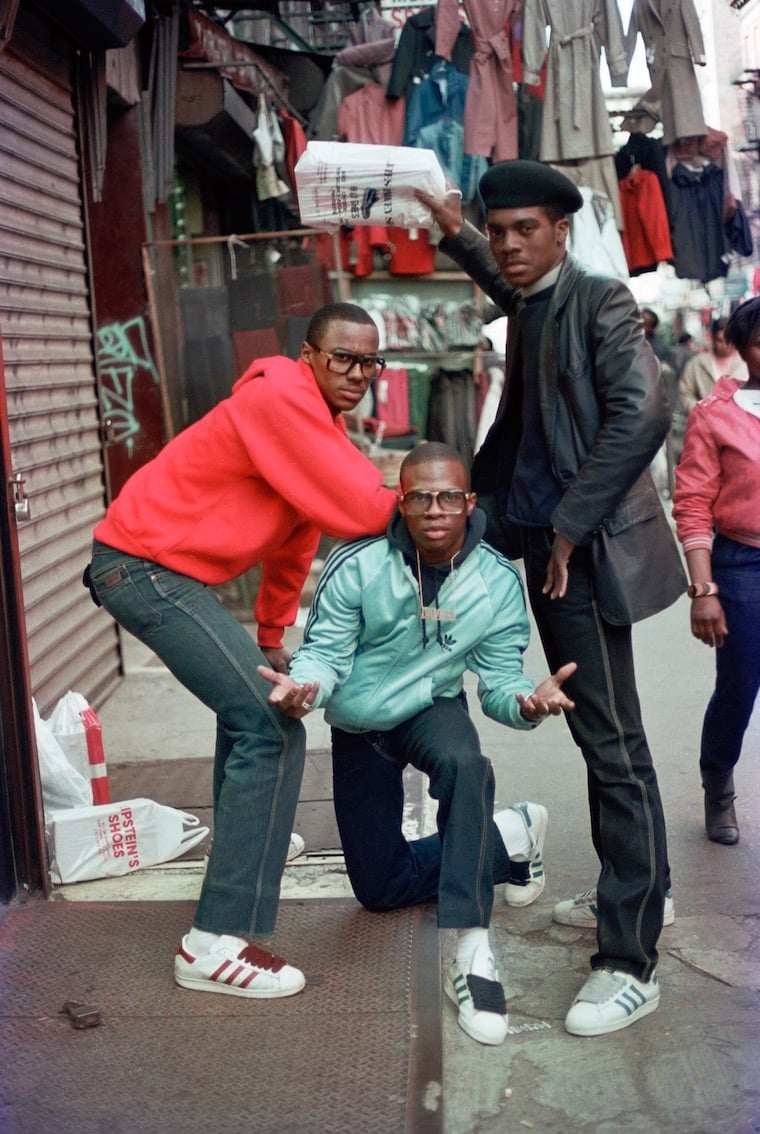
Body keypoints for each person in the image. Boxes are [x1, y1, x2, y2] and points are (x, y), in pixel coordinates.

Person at [417, 159, 686, 1037]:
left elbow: (642, 414)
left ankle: (630, 958)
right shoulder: (534, 299)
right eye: (497, 232)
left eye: (523, 230)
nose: (508, 247)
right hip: (527, 535)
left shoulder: (601, 302)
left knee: (609, 739)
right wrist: (458, 231)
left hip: (580, 551)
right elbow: (506, 277)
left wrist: (568, 527)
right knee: (603, 732)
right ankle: (643, 895)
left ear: (561, 232)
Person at [83, 302, 399, 1000]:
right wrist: (437, 498)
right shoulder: (282, 397)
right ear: (309, 357)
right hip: (141, 568)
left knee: (253, 704)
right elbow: (358, 507)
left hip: (163, 571)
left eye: (370, 361)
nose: (357, 372)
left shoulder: (317, 422)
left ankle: (246, 844)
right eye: (342, 357)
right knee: (270, 722)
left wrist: (268, 636)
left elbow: (301, 535)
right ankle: (212, 943)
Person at [258, 441, 575, 1046]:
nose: (436, 508)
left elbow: (500, 679)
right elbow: (325, 652)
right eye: (421, 497)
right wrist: (306, 687)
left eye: (449, 496)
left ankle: (474, 953)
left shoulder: (498, 579)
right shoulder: (357, 565)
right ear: (400, 503)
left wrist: (527, 705)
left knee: (466, 765)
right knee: (378, 890)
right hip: (358, 725)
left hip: (433, 707)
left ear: (469, 501)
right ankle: (509, 835)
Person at [672, 296, 760, 846]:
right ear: (741, 347)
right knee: (739, 684)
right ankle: (718, 785)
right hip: (742, 561)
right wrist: (703, 588)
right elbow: (693, 503)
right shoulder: (716, 414)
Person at [678, 316, 748, 413]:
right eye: (720, 340)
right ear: (713, 338)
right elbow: (685, 393)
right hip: (703, 422)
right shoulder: (696, 363)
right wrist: (701, 411)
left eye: (730, 341)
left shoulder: (746, 363)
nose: (726, 345)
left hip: (740, 423)